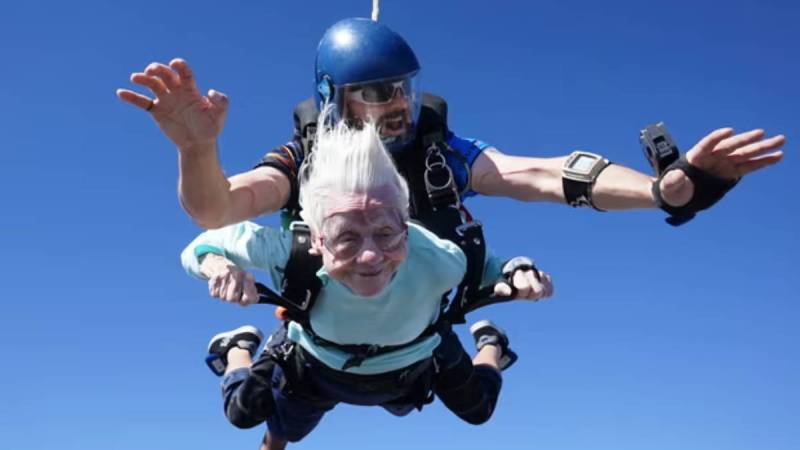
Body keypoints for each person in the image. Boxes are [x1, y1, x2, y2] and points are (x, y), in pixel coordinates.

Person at [118, 17, 785, 234]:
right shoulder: (305, 155)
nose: (397, 106)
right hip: (326, 323)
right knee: (288, 403)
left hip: (417, 324)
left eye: (402, 89)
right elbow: (218, 209)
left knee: (464, 399)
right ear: (334, 102)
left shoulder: (443, 153)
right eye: (374, 93)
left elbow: (545, 176)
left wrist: (664, 191)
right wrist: (198, 151)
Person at [180, 118, 554, 449]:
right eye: (347, 238)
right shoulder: (287, 251)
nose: (371, 256)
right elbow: (202, 244)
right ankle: (237, 348)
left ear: (407, 230)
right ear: (317, 240)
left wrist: (519, 271)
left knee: (479, 408)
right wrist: (217, 266)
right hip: (316, 364)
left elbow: (489, 266)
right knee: (246, 412)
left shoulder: (440, 257)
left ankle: (492, 345)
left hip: (412, 361)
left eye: (387, 233)